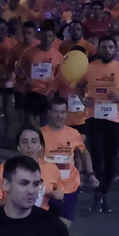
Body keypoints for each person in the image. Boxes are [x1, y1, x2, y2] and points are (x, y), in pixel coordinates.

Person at [79, 34, 119, 212]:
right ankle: (97, 194)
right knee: (97, 157)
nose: (107, 50)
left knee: (111, 160)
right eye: (104, 47)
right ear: (98, 49)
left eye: (110, 47)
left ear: (116, 48)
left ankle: (104, 194)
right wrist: (83, 99)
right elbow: (77, 85)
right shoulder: (89, 68)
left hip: (115, 119)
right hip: (94, 118)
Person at [40, 94, 96, 226]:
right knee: (42, 226)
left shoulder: (74, 134)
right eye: (55, 112)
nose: (59, 116)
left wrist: (91, 174)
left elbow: (84, 152)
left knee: (64, 225)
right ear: (48, 113)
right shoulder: (39, 134)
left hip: (68, 187)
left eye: (62, 112)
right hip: (46, 188)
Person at [0, 128, 63, 211]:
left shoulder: (51, 168)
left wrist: (56, 196)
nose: (29, 146)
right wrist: (17, 200)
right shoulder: (4, 168)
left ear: (40, 145)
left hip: (42, 216)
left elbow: (60, 196)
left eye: (34, 141)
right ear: (18, 146)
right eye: (24, 142)